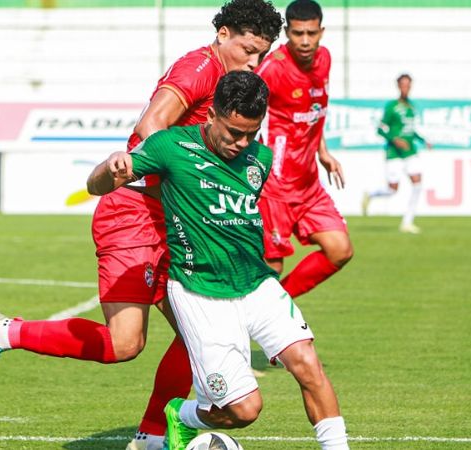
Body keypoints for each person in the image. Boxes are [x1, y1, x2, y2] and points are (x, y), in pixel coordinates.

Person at [0, 3, 283, 450]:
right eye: (248, 50)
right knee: (124, 344)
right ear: (223, 33)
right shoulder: (199, 67)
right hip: (134, 212)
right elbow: (150, 125)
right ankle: (0, 333)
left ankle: (152, 436)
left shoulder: (226, 83)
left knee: (198, 334)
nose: (253, 63)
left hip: (172, 219)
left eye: (261, 55)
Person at [87, 71, 350, 450]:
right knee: (244, 411)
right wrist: (109, 168)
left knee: (309, 365)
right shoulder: (169, 147)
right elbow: (96, 186)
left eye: (251, 134)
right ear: (211, 115)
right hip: (201, 294)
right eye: (233, 133)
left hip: (256, 285)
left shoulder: (260, 158)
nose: (242, 144)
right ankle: (183, 414)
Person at [255, 0, 353, 300]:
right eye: (298, 33)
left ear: (321, 31)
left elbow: (314, 110)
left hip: (309, 183)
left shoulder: (324, 59)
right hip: (276, 186)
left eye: (311, 33)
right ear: (287, 32)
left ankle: (274, 311)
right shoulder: (272, 69)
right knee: (271, 265)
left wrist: (322, 151)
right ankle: (256, 323)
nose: (306, 41)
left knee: (340, 250)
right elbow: (239, 110)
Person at [362, 73, 432, 234]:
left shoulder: (412, 107)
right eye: (403, 85)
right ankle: (371, 194)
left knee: (417, 184)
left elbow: (410, 130)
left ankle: (407, 222)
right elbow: (380, 129)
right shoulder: (391, 107)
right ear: (398, 86)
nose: (406, 88)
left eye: (408, 85)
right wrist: (394, 139)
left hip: (410, 152)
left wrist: (423, 140)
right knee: (393, 189)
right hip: (393, 152)